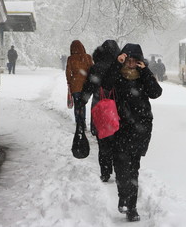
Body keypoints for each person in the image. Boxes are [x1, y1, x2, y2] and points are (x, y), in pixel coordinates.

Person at [102, 43, 162, 222]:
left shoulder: (143, 76)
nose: (130, 63)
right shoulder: (117, 75)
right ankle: (123, 197)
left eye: (135, 60)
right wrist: (116, 63)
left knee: (133, 168)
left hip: (140, 128)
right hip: (120, 126)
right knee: (121, 167)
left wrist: (145, 72)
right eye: (128, 59)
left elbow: (156, 92)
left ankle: (132, 208)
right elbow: (105, 84)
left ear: (140, 61)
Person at [80, 40, 121, 183]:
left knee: (102, 141)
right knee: (116, 142)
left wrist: (81, 102)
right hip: (116, 109)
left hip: (99, 108)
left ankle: (105, 171)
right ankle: (117, 169)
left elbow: (88, 89)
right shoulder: (119, 67)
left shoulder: (96, 68)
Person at [65, 40, 93, 128]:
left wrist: (69, 82)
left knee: (77, 104)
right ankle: (83, 121)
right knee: (82, 103)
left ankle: (79, 122)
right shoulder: (88, 57)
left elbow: (68, 73)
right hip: (85, 85)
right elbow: (92, 70)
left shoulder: (71, 59)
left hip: (75, 85)